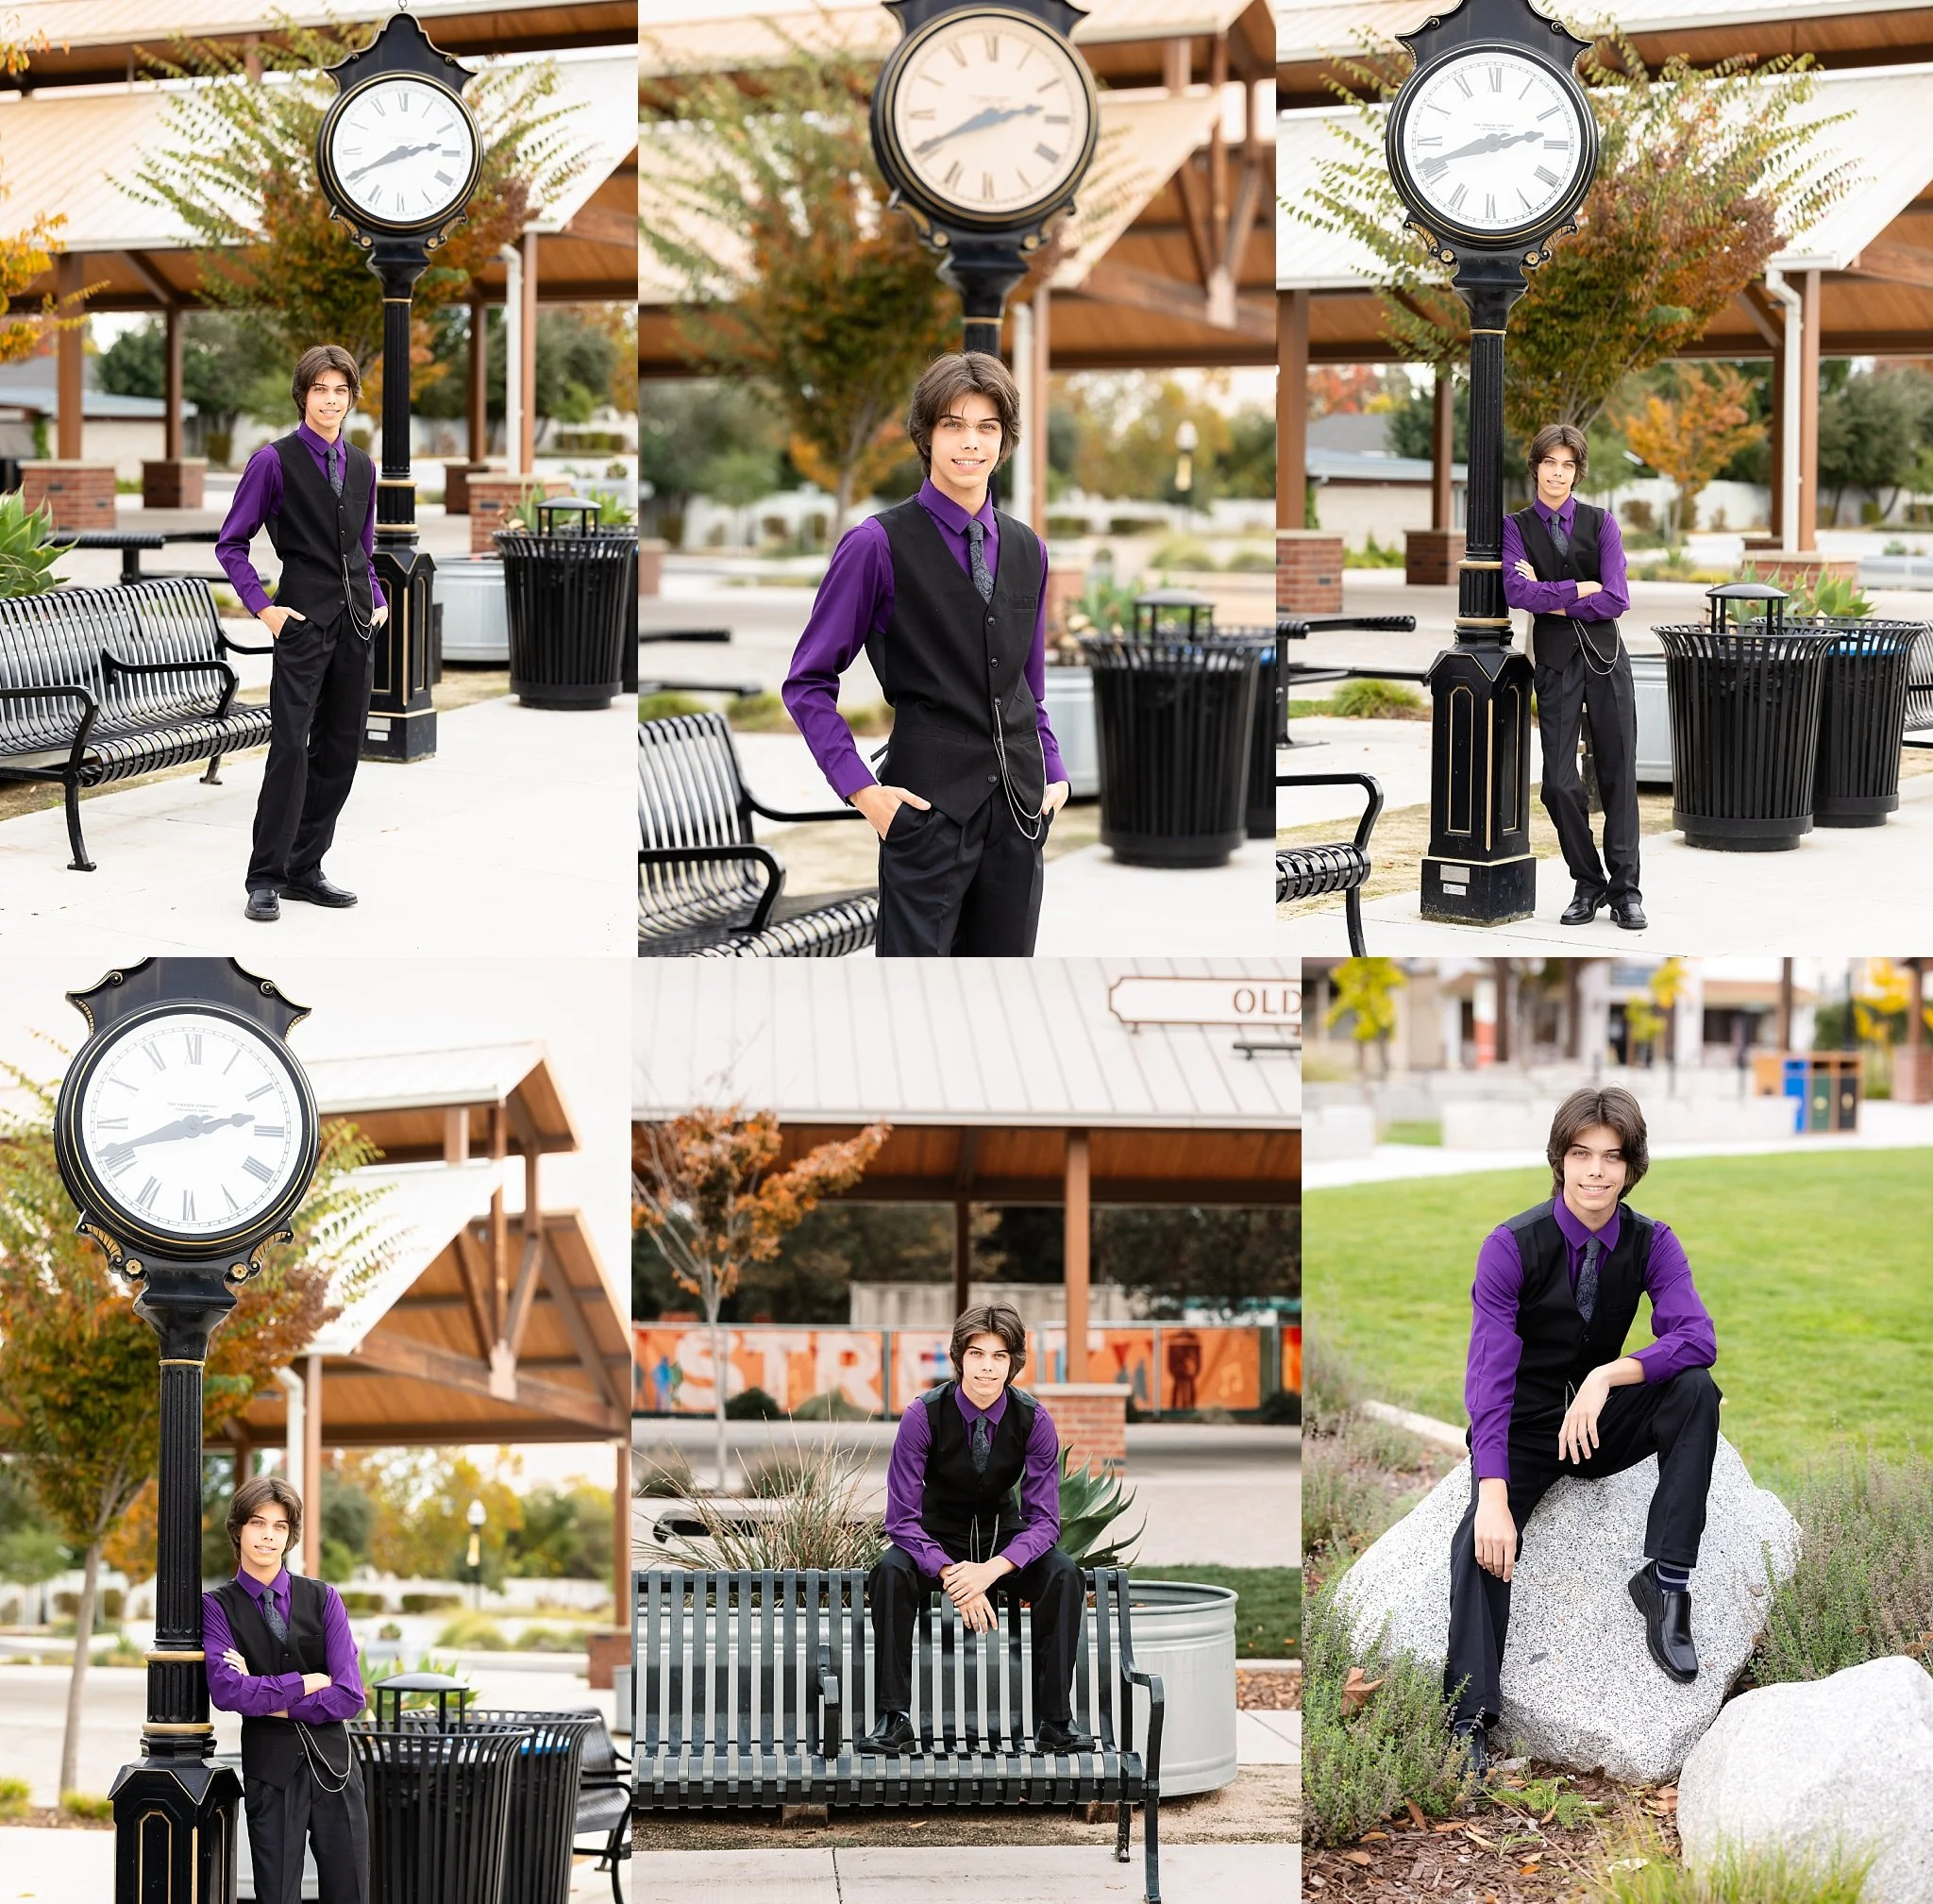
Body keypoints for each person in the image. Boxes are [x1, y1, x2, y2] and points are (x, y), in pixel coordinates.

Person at [1444, 1087, 1720, 1778]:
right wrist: (1495, 1492)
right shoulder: (1510, 1247)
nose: (1596, 1171)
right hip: (1528, 1421)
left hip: (1598, 1418)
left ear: (1631, 1167)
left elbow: (1696, 1338)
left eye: (1612, 1157)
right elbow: (1489, 1380)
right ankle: (1469, 1716)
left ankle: (1666, 1580)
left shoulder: (1653, 1241)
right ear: (1559, 1159)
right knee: (1479, 1541)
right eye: (1581, 1154)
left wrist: (1607, 1378)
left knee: (1694, 1391)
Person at [782, 352, 1070, 957]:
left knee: (1000, 1003)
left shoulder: (1029, 549)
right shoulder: (875, 545)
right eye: (953, 425)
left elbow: (1026, 685)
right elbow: (807, 682)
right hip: (925, 817)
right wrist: (864, 791)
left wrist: (1054, 771)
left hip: (1020, 817)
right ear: (925, 434)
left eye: (987, 427)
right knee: (914, 1009)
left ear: (1005, 439)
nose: (971, 443)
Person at [861, 1301, 1093, 1754]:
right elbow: (902, 1519)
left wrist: (991, 1571)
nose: (987, 1368)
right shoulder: (922, 1416)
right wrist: (952, 1574)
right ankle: (894, 1718)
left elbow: (1045, 1521)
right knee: (890, 1571)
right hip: (934, 1536)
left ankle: (1055, 1722)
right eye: (977, 1354)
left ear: (1013, 1363)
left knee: (1064, 1575)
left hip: (1003, 1537)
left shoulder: (1035, 1420)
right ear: (959, 1357)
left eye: (999, 1356)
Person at [216, 345, 388, 924]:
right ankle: (265, 878)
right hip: (301, 625)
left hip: (357, 626)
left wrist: (380, 599)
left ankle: (305, 869)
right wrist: (264, 608)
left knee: (340, 753)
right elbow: (231, 544)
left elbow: (362, 548)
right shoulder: (273, 461)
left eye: (340, 391)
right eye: (321, 390)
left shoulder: (363, 465)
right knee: (290, 750)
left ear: (350, 399)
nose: (330, 400)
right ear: (303, 395)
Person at [1502, 424, 1645, 932]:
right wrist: (1579, 588)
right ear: (1536, 466)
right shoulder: (1515, 527)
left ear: (1576, 471)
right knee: (1559, 786)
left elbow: (1617, 599)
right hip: (1556, 667)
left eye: (1567, 465)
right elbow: (1518, 595)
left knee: (1617, 778)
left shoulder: (1601, 522)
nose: (1557, 473)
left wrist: (1554, 594)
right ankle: (1589, 882)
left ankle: (1626, 890)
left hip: (1607, 662)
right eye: (1549, 463)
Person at [203, 1474, 369, 1904]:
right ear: (238, 1529)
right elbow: (228, 1693)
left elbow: (350, 1696)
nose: (268, 1536)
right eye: (258, 1523)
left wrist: (266, 1696)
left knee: (349, 1892)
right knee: (276, 1897)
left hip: (337, 1772)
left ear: (289, 1535)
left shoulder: (324, 1598)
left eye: (279, 1527)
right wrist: (308, 1682)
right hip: (270, 1777)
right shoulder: (216, 1607)